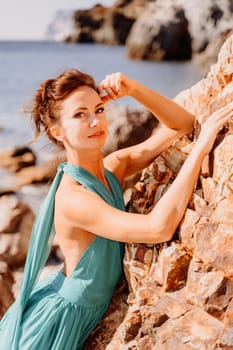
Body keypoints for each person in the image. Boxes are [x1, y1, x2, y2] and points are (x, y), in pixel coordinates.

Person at [0, 69, 232, 350]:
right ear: (57, 132)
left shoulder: (113, 167)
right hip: (56, 323)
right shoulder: (74, 198)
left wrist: (133, 89)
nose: (95, 121)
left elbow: (181, 125)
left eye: (98, 109)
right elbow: (157, 228)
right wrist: (201, 148)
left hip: (76, 310)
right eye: (80, 115)